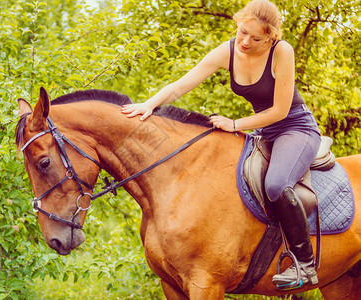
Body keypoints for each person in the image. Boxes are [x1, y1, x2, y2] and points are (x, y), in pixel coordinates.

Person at [121, 0, 321, 290]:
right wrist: (148, 105)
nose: (245, 41)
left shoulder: (282, 52)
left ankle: (305, 263)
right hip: (264, 132)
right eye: (242, 32)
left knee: (276, 184)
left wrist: (235, 124)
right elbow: (182, 84)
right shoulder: (229, 50)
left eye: (255, 38)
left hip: (295, 128)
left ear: (270, 37)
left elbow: (280, 111)